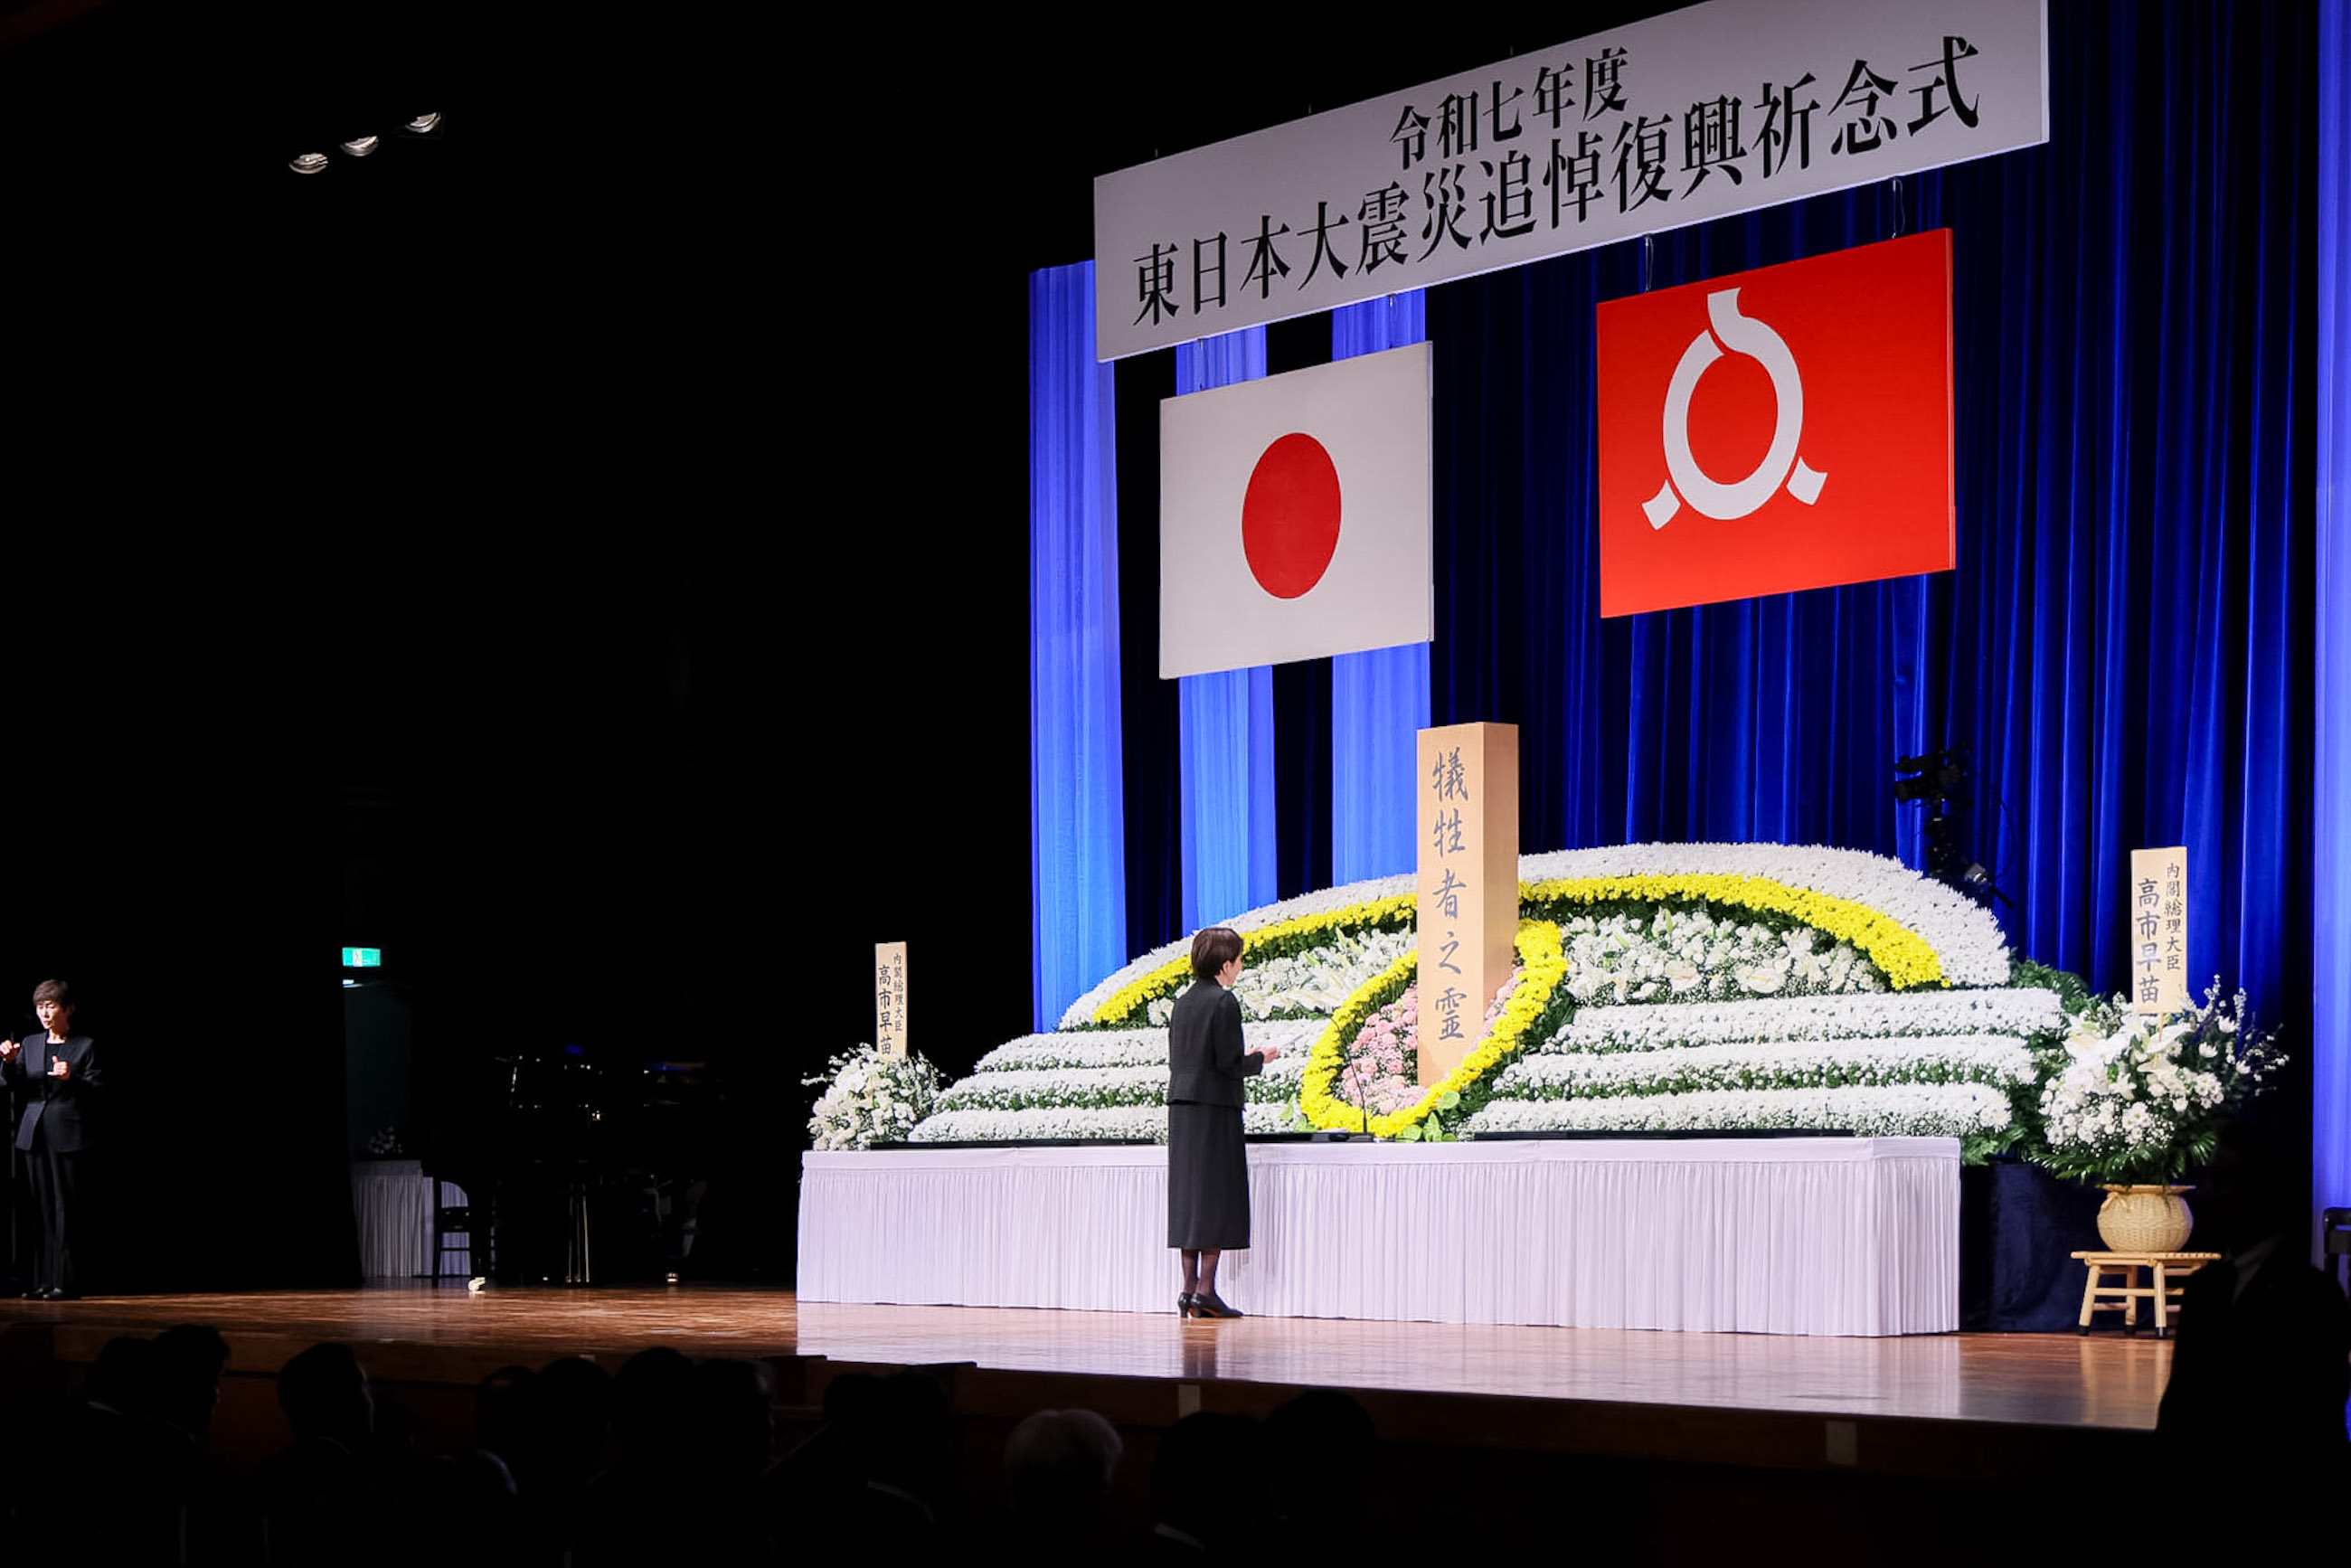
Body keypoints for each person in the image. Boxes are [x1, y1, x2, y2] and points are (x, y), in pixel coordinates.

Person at [1166, 927, 1278, 1319]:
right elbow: (1229, 1064)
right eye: (1239, 960)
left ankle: (1188, 1289)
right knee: (1215, 1196)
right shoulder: (1223, 1001)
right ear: (1225, 964)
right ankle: (1206, 1291)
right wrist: (1261, 1058)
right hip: (1215, 1109)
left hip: (1183, 1110)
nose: (1240, 967)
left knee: (1190, 1197)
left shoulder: (1182, 1003)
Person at [1, 978, 102, 1299]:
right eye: (40, 1007)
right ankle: (41, 1281)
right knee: (39, 1209)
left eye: (51, 1006)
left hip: (67, 1133)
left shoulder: (84, 1045)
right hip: (34, 1133)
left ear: (68, 1009)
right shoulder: (30, 1043)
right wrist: (8, 1064)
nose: (44, 1013)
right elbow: (13, 1084)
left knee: (64, 1209)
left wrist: (72, 1078)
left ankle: (65, 1282)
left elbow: (98, 1089)